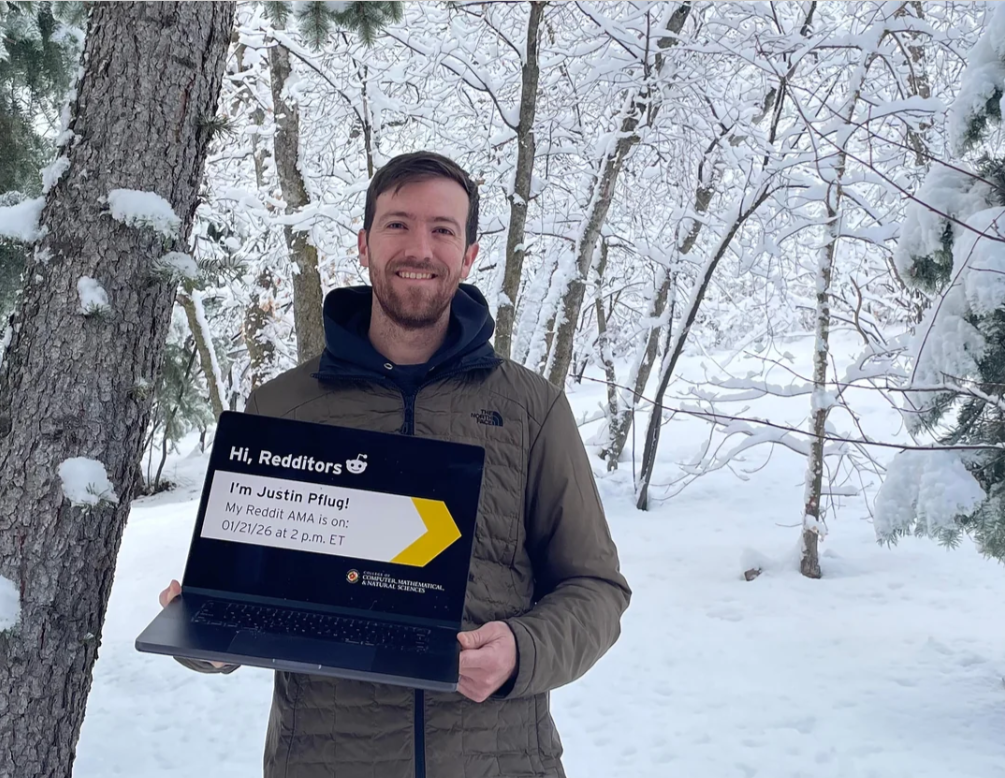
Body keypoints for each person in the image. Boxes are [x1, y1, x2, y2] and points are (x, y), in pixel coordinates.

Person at [159, 151, 631, 778]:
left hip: (498, 759)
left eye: (442, 229)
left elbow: (596, 588)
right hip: (325, 760)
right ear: (363, 243)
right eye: (397, 224)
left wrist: (523, 649)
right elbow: (242, 595)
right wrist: (206, 631)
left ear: (468, 255)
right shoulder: (283, 407)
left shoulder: (530, 409)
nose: (419, 248)